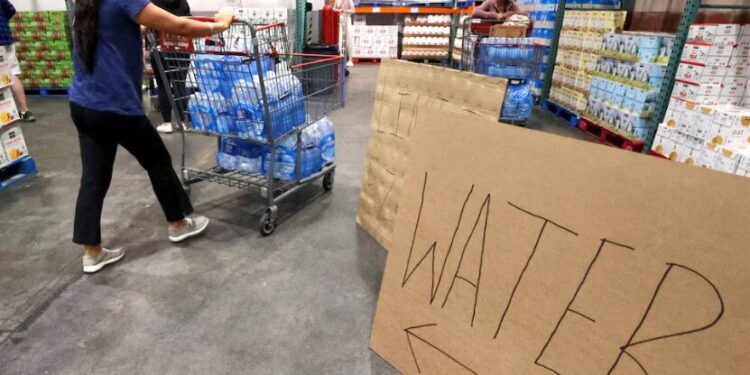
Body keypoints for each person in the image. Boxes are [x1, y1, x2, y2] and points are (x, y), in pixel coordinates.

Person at [70, 0, 233, 273]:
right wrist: (221, 24)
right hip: (116, 106)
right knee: (158, 162)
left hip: (83, 104)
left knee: (93, 178)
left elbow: (112, 30)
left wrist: (141, 28)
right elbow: (180, 25)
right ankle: (178, 224)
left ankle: (92, 252)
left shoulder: (86, 2)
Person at [150, 0, 191, 134]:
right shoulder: (182, 3)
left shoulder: (153, 2)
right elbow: (189, 21)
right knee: (180, 84)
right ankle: (181, 121)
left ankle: (167, 123)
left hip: (161, 47)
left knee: (163, 85)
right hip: (182, 47)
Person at [0, 0, 35, 122]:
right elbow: (11, 10)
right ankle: (25, 111)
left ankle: (5, 114)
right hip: (6, 38)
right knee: (12, 74)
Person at [333, 0, 355, 67]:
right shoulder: (337, 0)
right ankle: (340, 56)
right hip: (340, 19)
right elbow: (334, 9)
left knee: (349, 39)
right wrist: (339, 10)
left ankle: (350, 59)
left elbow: (353, 10)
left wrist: (345, 11)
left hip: (347, 18)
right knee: (339, 38)